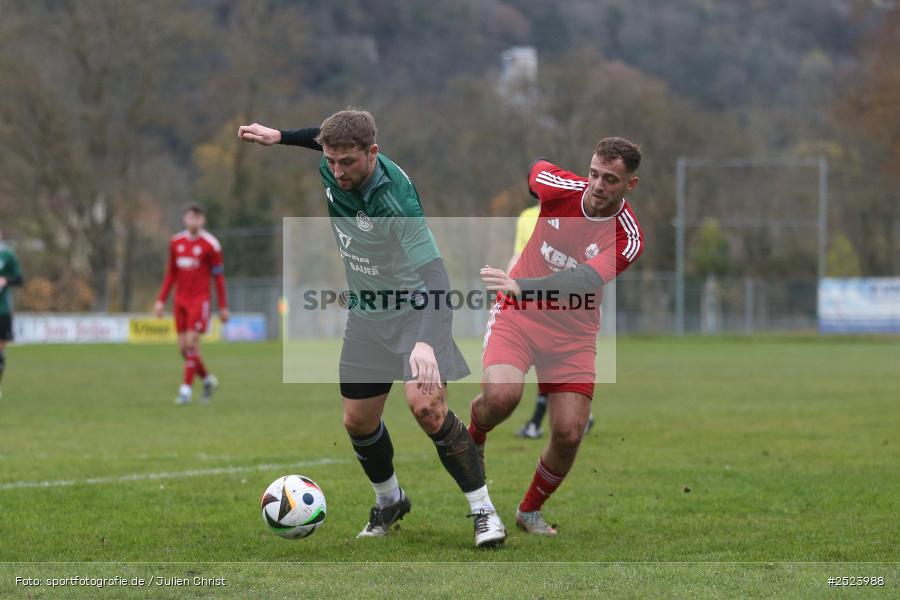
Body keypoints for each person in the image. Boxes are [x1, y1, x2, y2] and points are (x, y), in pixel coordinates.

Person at [238, 109, 506, 547]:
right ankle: (389, 500)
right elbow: (322, 140)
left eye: (348, 162)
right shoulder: (333, 158)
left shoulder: (396, 202)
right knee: (358, 421)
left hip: (415, 313)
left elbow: (437, 279)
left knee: (427, 410)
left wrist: (424, 342)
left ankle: (484, 512)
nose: (337, 171)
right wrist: (281, 136)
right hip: (366, 314)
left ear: (372, 153)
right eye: (331, 160)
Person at [468, 137, 645, 536]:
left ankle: (529, 511)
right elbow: (535, 169)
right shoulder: (560, 186)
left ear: (630, 185)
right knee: (502, 397)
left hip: (573, 335)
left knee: (568, 432)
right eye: (595, 174)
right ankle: (473, 437)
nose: (598, 185)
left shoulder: (628, 236)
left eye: (611, 180)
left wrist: (523, 284)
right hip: (519, 317)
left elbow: (583, 279)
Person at [509, 205, 596, 440]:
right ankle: (570, 414)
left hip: (558, 297)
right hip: (536, 294)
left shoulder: (569, 215)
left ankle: (539, 422)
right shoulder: (529, 216)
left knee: (551, 359)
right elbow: (519, 254)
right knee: (547, 360)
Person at [154, 204, 229, 405]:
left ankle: (185, 391)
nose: (193, 221)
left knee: (191, 344)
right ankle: (207, 381)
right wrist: (161, 301)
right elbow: (171, 274)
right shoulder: (176, 242)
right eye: (189, 217)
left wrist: (223, 306)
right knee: (183, 349)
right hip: (180, 301)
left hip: (200, 300)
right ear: (184, 219)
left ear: (202, 221)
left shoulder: (211, 245)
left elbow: (219, 278)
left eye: (197, 218)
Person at [0, 228, 24, 399]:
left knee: (0, 349)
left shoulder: (7, 255)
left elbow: (20, 279)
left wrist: (5, 280)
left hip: (2, 310)